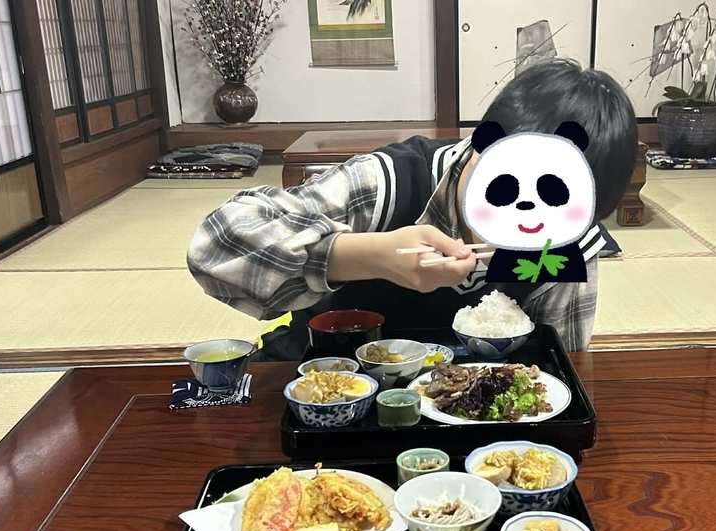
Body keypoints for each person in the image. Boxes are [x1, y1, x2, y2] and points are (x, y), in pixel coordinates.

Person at [187, 59, 637, 361]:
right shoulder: (390, 181)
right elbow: (217, 244)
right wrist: (371, 256)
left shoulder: (569, 242)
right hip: (326, 380)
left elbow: (558, 366)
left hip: (472, 414)